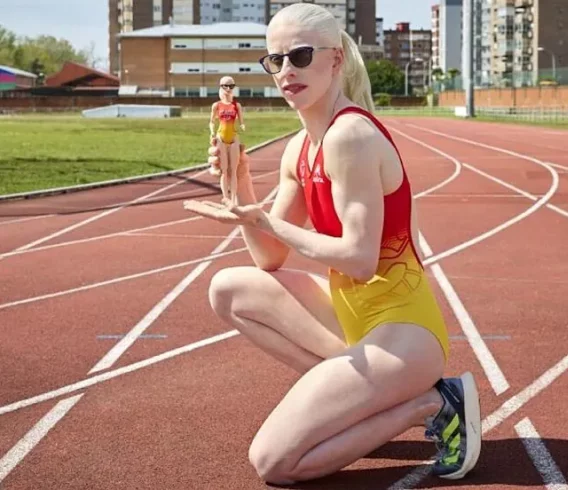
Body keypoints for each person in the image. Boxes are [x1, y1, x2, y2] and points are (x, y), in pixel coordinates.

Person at [183, 2, 481, 485]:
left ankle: (431, 402)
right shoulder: (299, 147)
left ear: (335, 59)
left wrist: (268, 222)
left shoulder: (351, 137)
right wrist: (240, 180)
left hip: (403, 332)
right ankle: (370, 401)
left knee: (274, 464)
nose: (286, 71)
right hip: (352, 317)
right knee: (228, 289)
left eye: (300, 56)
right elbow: (269, 257)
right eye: (274, 60)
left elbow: (361, 260)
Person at [209, 75, 246, 205]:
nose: (228, 88)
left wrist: (242, 125)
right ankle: (226, 198)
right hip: (221, 137)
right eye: (225, 85)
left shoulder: (237, 105)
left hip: (234, 137)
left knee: (234, 169)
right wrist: (212, 132)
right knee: (224, 170)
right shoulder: (216, 105)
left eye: (231, 86)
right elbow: (211, 122)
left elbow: (241, 120)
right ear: (220, 87)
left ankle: (234, 198)